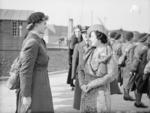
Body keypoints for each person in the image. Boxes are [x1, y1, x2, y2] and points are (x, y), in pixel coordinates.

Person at [16, 12, 54, 113]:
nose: (46, 27)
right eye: (44, 24)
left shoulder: (38, 40)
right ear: (37, 24)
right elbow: (25, 71)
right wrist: (26, 95)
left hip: (41, 87)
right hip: (35, 89)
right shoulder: (32, 42)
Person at [78, 24, 113, 113]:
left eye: (92, 36)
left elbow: (110, 75)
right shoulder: (88, 51)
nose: (89, 38)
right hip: (86, 92)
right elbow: (80, 69)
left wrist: (91, 85)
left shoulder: (109, 52)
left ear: (100, 36)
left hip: (100, 94)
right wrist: (82, 84)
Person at [129, 33, 150, 108]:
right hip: (141, 70)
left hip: (140, 69)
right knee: (140, 86)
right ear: (144, 39)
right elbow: (136, 60)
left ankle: (138, 102)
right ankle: (138, 103)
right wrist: (133, 70)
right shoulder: (143, 48)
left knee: (138, 86)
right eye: (148, 38)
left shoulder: (138, 46)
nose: (149, 40)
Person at [71, 26, 89, 110]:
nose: (85, 35)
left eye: (86, 33)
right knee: (80, 97)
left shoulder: (94, 45)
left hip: (91, 74)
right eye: (83, 33)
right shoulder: (78, 46)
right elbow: (74, 62)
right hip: (80, 74)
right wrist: (73, 76)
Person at [67, 25, 82, 90]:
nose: (77, 33)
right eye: (76, 31)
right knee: (73, 69)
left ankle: (73, 83)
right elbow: (71, 49)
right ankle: (72, 83)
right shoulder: (74, 38)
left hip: (77, 56)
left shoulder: (80, 38)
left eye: (78, 31)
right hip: (73, 56)